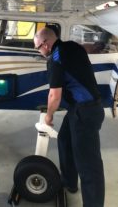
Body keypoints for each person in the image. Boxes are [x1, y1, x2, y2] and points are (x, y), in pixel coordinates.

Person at [34, 27, 105, 207]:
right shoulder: (72, 46)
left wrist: (49, 116)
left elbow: (54, 95)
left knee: (89, 165)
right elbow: (82, 56)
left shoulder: (55, 60)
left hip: (86, 112)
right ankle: (69, 182)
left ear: (47, 45)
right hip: (79, 108)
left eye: (38, 48)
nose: (39, 52)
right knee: (65, 140)